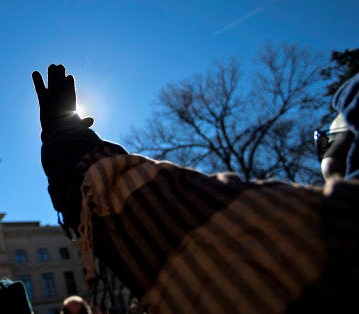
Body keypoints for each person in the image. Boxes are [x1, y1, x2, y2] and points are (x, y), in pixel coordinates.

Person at [33, 64, 359, 313]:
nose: (323, 155)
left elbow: (143, 209)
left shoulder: (332, 226)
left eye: (328, 142)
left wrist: (65, 137)